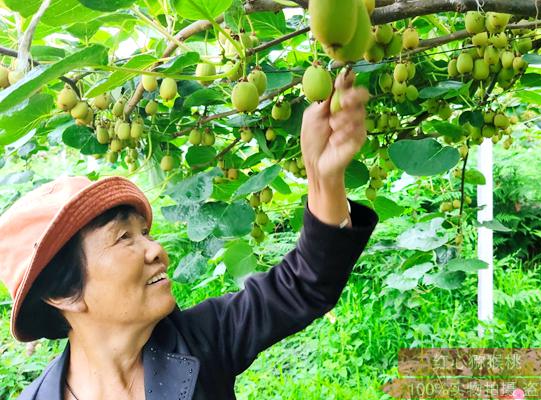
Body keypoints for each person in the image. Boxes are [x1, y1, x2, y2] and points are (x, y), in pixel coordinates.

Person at [0, 72, 378, 400]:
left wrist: (322, 177)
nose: (156, 250)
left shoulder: (201, 340)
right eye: (123, 238)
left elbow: (302, 285)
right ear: (64, 293)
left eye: (144, 233)